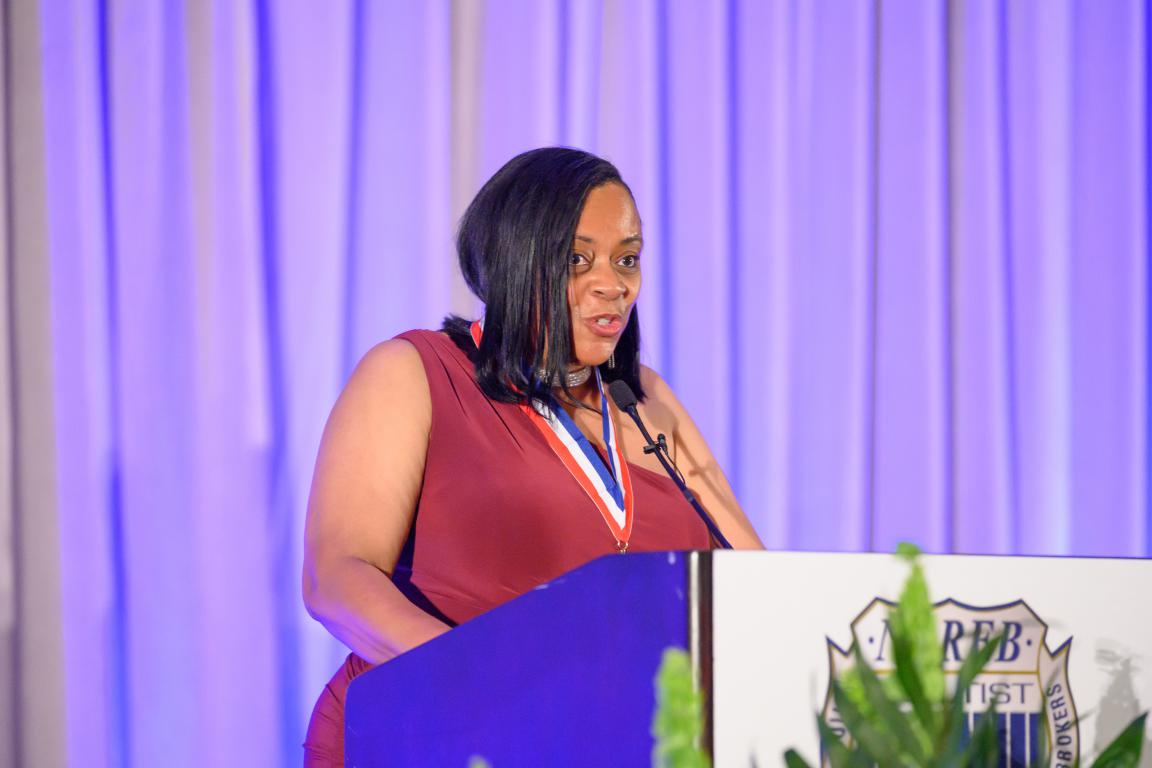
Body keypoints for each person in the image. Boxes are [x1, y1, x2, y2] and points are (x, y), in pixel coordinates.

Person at [300, 147, 764, 764]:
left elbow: (757, 585)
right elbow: (336, 578)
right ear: (516, 258)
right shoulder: (415, 372)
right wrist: (491, 687)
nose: (614, 284)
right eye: (578, 259)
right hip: (436, 737)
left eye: (627, 259)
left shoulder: (644, 399)